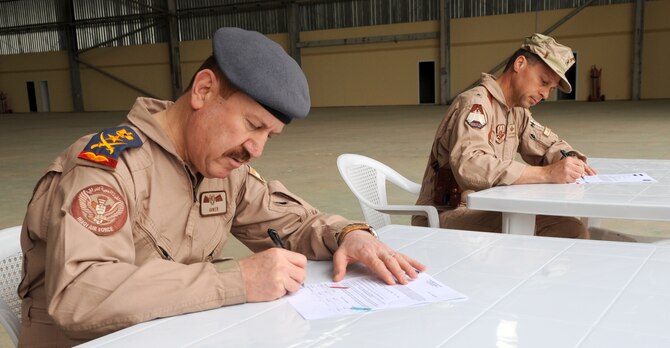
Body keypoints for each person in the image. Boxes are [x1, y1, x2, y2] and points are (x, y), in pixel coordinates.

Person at [18, 27, 426, 346]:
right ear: (204, 90)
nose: (257, 149)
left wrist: (348, 234)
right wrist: (236, 281)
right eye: (252, 126)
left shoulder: (221, 168)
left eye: (270, 135)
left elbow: (293, 223)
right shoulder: (107, 168)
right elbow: (80, 296)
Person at [412, 33, 596, 238]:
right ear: (520, 64)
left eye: (551, 88)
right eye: (543, 82)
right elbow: (472, 165)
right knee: (568, 229)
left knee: (566, 225)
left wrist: (569, 159)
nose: (545, 94)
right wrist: (546, 174)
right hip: (447, 214)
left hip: (487, 205)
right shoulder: (477, 105)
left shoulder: (517, 111)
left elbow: (547, 143)